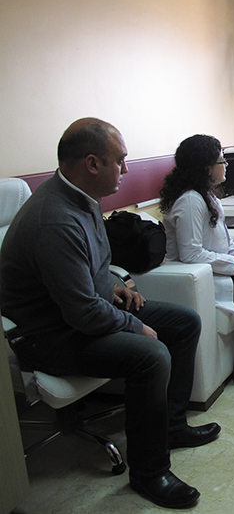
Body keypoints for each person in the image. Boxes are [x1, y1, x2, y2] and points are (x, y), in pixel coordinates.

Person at [0, 118, 220, 509]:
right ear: (92, 163)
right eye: (120, 160)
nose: (126, 169)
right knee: (151, 355)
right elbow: (83, 314)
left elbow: (88, 270)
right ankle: (149, 472)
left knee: (184, 322)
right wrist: (135, 326)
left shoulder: (81, 197)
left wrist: (111, 287)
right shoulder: (55, 219)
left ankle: (171, 426)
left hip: (74, 312)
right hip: (47, 336)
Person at [159, 134, 234, 383]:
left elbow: (226, 244)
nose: (226, 165)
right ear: (206, 167)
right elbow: (191, 253)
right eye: (221, 160)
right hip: (201, 277)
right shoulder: (190, 201)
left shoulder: (207, 196)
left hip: (216, 269)